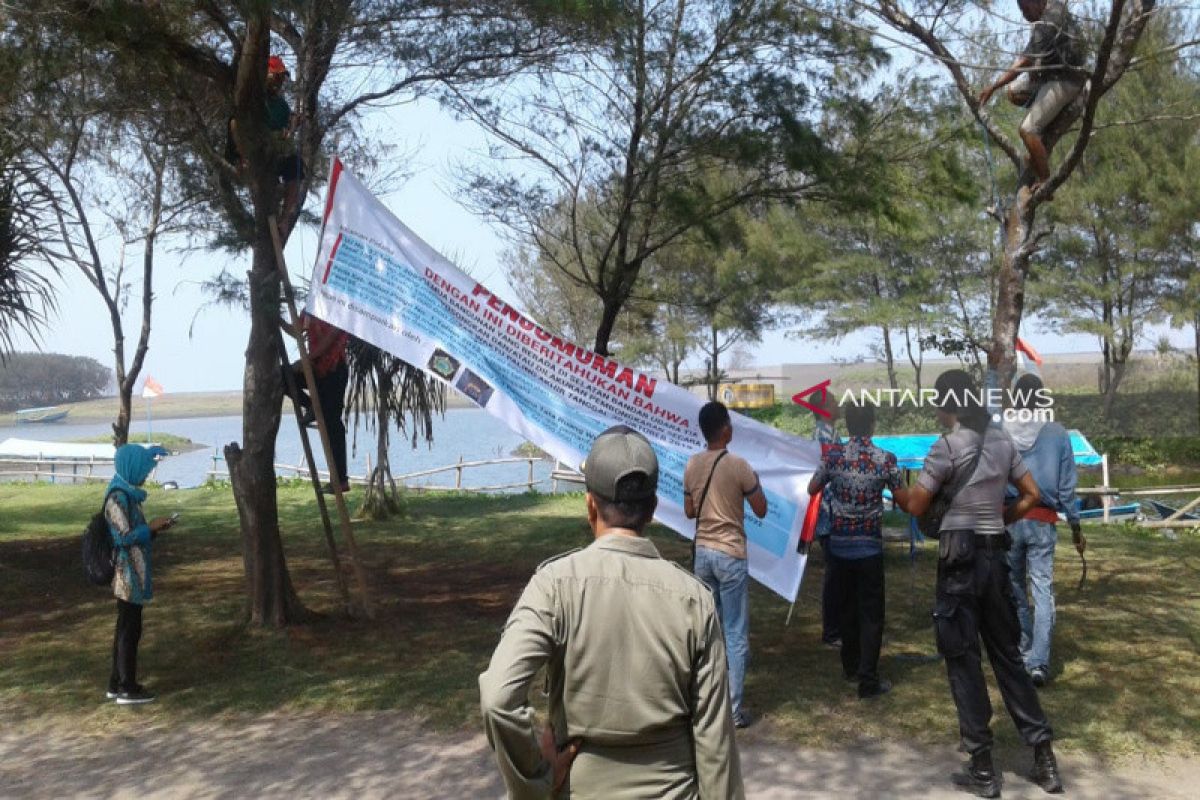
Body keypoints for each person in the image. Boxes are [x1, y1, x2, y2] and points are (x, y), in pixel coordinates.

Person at [479, 425, 744, 799]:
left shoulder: (553, 586)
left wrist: (536, 781)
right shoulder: (695, 600)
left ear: (590, 505)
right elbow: (715, 740)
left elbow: (497, 698)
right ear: (652, 510)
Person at [904, 370, 1062, 797]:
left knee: (963, 660)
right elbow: (1029, 494)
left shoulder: (946, 446)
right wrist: (1000, 519)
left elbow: (918, 504)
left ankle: (983, 768)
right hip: (994, 559)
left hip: (957, 562)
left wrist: (894, 491)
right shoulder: (999, 439)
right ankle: (1044, 756)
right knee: (1008, 658)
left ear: (947, 404)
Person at [808, 401, 908, 699]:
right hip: (869, 548)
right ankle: (868, 677)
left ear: (848, 424)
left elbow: (813, 488)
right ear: (873, 424)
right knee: (871, 614)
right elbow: (904, 500)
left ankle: (850, 667)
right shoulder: (885, 459)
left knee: (847, 608)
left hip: (839, 546)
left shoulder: (834, 457)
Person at [684, 401, 768, 729]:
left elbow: (690, 511)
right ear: (724, 429)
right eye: (730, 423)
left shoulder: (692, 464)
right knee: (735, 631)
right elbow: (760, 509)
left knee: (708, 629)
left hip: (702, 554)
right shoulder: (739, 465)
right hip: (730, 555)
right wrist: (755, 483)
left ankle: (705, 701)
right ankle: (732, 710)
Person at [1003, 373, 1085, 687]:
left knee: (1013, 588)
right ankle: (1038, 662)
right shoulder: (1057, 433)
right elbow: (1067, 488)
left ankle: (1024, 648)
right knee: (1042, 589)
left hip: (1009, 517)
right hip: (1043, 521)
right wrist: (1075, 525)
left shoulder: (1002, 432)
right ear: (1040, 400)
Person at [978, 0, 1086, 191]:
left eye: (1023, 7)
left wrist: (993, 87)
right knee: (1012, 92)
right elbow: (1036, 58)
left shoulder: (1050, 19)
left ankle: (1045, 180)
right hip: (1050, 76)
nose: (1023, 14)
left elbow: (1024, 61)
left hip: (1066, 80)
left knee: (1027, 130)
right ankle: (1044, 119)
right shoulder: (1049, 13)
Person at [105, 443, 176, 705]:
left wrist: (156, 529)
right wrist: (149, 529)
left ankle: (117, 682)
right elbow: (123, 537)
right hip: (126, 574)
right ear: (131, 468)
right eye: (144, 470)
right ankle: (127, 686)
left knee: (127, 626)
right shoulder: (117, 497)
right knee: (129, 629)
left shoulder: (128, 494)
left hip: (134, 571)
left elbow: (135, 533)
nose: (146, 476)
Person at [286, 312, 350, 494]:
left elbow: (329, 340)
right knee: (285, 376)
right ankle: (311, 406)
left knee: (332, 424)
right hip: (315, 368)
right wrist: (279, 320)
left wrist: (306, 359)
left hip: (333, 370)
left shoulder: (337, 306)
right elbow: (297, 330)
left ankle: (341, 480)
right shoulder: (311, 306)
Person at [812, 390, 842, 648]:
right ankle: (832, 632)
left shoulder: (829, 434)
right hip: (830, 516)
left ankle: (836, 628)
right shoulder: (824, 436)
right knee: (835, 576)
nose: (838, 404)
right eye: (833, 401)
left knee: (838, 574)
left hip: (831, 516)